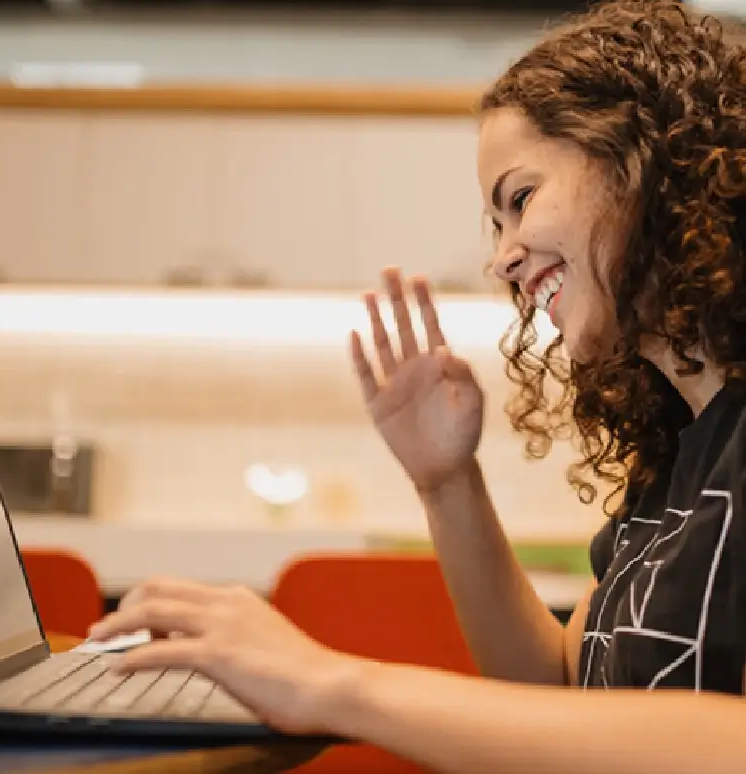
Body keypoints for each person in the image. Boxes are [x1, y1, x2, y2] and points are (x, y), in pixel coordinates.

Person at [88, 1, 746, 771]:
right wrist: (446, 481)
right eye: (496, 224)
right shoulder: (675, 460)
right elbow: (557, 689)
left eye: (520, 199)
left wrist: (330, 684)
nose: (503, 257)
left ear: (641, 162)